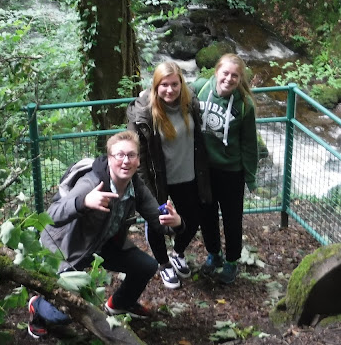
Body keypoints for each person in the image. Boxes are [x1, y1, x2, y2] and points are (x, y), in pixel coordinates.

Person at [31, 130, 184, 338]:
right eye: (119, 155)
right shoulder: (91, 183)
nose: (125, 161)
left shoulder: (135, 186)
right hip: (68, 248)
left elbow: (158, 222)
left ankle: (119, 305)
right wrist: (83, 202)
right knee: (64, 313)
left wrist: (176, 223)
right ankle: (37, 307)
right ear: (110, 158)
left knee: (146, 266)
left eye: (131, 155)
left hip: (103, 245)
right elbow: (51, 216)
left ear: (138, 160)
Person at [126, 62, 211, 289]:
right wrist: (145, 186)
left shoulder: (190, 102)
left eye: (174, 84)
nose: (170, 90)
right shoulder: (143, 112)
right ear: (156, 86)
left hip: (187, 174)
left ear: (181, 83)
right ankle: (163, 264)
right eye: (164, 85)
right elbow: (138, 153)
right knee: (158, 223)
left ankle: (178, 252)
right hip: (158, 179)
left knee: (193, 218)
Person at [190, 53, 258, 284]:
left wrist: (250, 177)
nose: (229, 79)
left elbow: (249, 144)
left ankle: (231, 261)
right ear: (216, 72)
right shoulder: (200, 88)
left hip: (231, 172)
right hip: (204, 169)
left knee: (232, 218)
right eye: (225, 73)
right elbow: (172, 93)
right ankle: (214, 254)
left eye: (235, 76)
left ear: (240, 79)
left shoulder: (245, 105)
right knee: (206, 215)